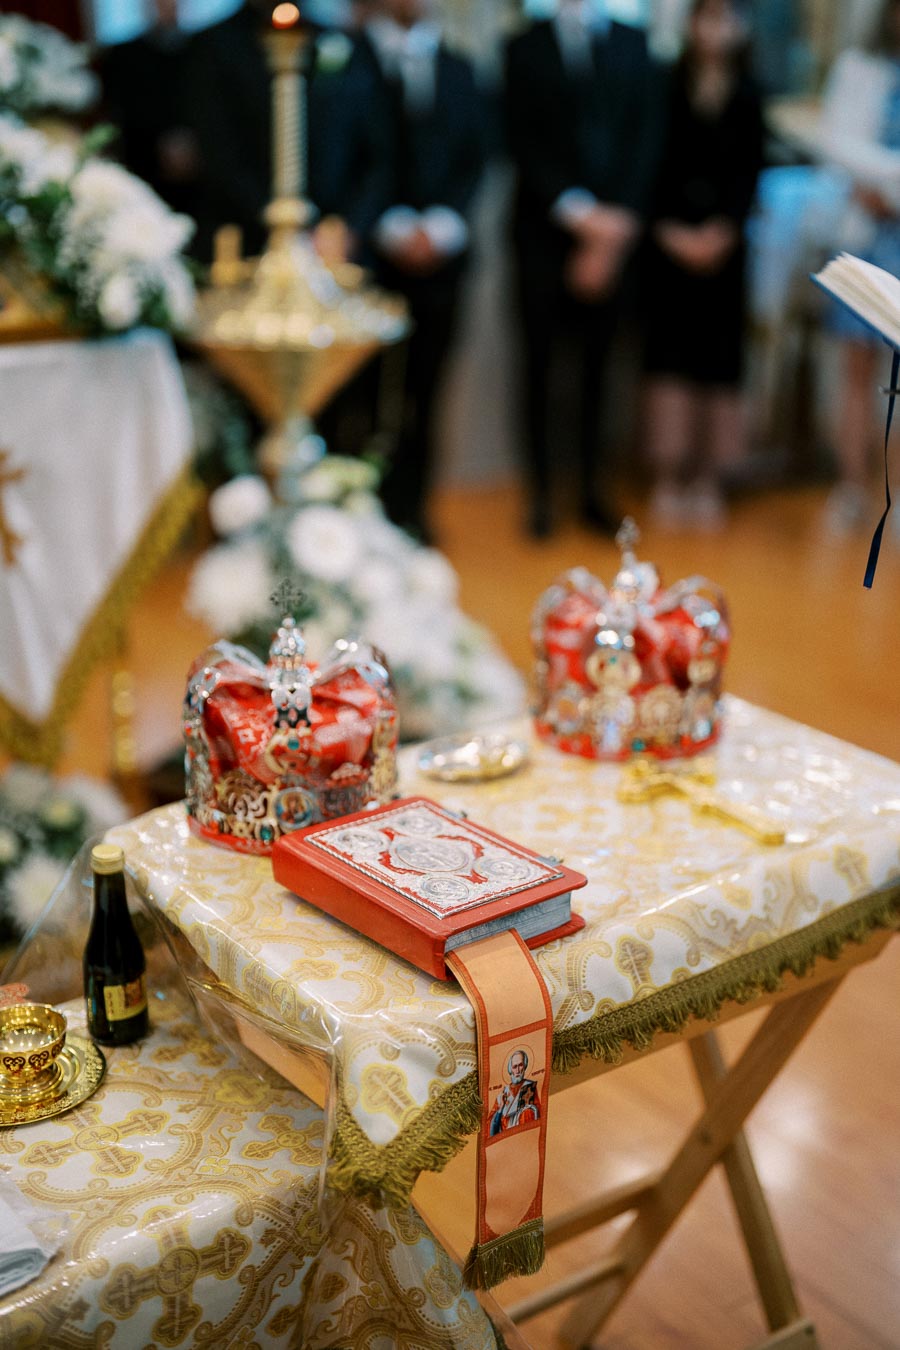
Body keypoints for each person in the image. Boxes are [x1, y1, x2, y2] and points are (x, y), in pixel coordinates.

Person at [504, 0, 663, 539]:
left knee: (600, 369)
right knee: (540, 368)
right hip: (544, 236)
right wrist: (581, 215)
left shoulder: (634, 42)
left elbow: (645, 136)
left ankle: (593, 488)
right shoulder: (523, 46)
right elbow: (520, 140)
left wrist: (614, 226)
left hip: (618, 238)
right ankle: (542, 493)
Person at [342, 0, 485, 541]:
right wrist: (389, 225)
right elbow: (347, 155)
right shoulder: (347, 59)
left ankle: (414, 507)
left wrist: (441, 225)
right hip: (370, 258)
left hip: (442, 261)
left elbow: (476, 155)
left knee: (426, 391)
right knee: (364, 394)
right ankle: (361, 512)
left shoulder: (460, 68)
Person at [641, 0, 764, 530]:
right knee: (669, 358)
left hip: (726, 250)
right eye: (706, 17)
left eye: (726, 18)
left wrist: (723, 231)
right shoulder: (663, 86)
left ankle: (710, 476)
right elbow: (648, 160)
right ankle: (668, 474)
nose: (715, 30)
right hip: (666, 247)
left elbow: (751, 171)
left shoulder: (751, 93)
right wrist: (668, 229)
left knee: (718, 360)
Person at [816, 0, 900, 533]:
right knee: (858, 370)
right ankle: (852, 486)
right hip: (865, 237)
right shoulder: (858, 67)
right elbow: (835, 146)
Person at [489, 1048, 540, 1135]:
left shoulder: (530, 1087)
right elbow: (490, 1125)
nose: (518, 1070)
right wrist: (500, 1109)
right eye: (514, 1067)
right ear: (510, 1069)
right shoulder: (504, 1092)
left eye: (520, 1065)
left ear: (524, 1066)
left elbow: (539, 1111)